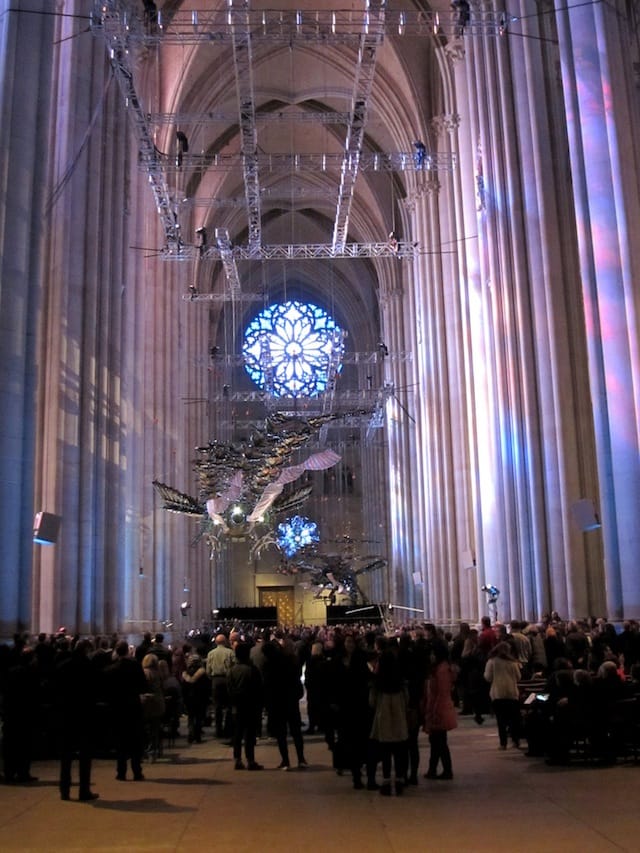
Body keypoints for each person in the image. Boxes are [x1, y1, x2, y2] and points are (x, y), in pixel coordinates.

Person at [53, 639, 99, 801]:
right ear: (86, 650)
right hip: (84, 716)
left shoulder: (62, 667)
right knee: (85, 756)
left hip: (66, 716)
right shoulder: (89, 667)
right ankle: (83, 790)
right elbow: (95, 691)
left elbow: (56, 691)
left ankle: (64, 790)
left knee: (66, 756)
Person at [104, 640, 148, 781]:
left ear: (116, 651)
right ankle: (137, 771)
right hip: (133, 706)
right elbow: (143, 685)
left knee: (120, 741)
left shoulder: (110, 669)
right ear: (127, 651)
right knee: (135, 740)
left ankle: (121, 772)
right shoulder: (135, 666)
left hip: (117, 707)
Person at [369, 639, 409, 796]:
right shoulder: (400, 682)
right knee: (399, 751)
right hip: (398, 718)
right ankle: (399, 781)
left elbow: (371, 702)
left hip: (383, 717)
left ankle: (386, 782)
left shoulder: (378, 683)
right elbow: (407, 700)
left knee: (385, 752)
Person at [262, 640, 307, 770]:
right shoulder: (289, 661)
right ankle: (301, 759)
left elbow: (267, 686)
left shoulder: (268, 665)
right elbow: (296, 681)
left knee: (281, 734)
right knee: (296, 732)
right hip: (291, 702)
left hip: (277, 703)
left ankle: (286, 761)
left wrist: (268, 703)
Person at [422, 639, 457, 780]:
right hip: (438, 708)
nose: (430, 656)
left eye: (432, 653)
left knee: (439, 742)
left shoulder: (441, 669)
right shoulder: (440, 667)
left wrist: (435, 711)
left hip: (440, 709)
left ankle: (445, 770)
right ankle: (434, 769)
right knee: (437, 741)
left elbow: (441, 692)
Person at [227, 642, 264, 770]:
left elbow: (229, 689)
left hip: (237, 706)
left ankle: (237, 759)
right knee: (250, 735)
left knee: (237, 734)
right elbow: (259, 688)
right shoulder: (252, 670)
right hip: (251, 706)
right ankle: (250, 760)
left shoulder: (232, 670)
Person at [484, 641, 522, 749]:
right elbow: (518, 677)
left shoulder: (492, 662)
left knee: (501, 720)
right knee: (513, 719)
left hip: (498, 693)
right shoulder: (513, 663)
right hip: (512, 693)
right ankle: (516, 741)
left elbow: (488, 677)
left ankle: (503, 743)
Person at [206, 634, 235, 738]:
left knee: (217, 706)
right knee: (228, 705)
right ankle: (227, 729)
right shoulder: (230, 652)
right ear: (225, 641)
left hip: (216, 680)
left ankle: (218, 731)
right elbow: (234, 666)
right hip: (227, 679)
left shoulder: (211, 653)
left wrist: (212, 678)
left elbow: (208, 670)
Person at [141, 653, 166, 761]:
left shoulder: (143, 673)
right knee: (155, 728)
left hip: (145, 702)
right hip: (157, 703)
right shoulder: (159, 673)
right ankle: (153, 752)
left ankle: (145, 751)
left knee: (144, 728)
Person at [182, 654, 210, 744]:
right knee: (199, 717)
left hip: (189, 699)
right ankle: (197, 736)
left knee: (190, 717)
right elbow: (206, 688)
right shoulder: (203, 673)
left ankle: (190, 735)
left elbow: (183, 688)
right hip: (200, 698)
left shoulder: (185, 674)